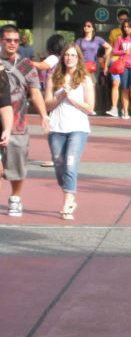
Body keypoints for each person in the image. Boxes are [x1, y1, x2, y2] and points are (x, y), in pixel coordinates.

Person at [0, 24, 49, 217]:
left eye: (15, 40)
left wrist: (44, 115)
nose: (12, 43)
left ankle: (15, 197)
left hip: (18, 123)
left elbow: (35, 94)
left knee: (17, 165)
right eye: (8, 40)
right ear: (1, 40)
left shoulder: (26, 65)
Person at [44, 44, 94, 220]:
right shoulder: (53, 78)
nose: (69, 58)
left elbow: (90, 107)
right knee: (59, 165)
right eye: (66, 55)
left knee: (71, 164)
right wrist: (60, 96)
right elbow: (47, 105)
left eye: (73, 55)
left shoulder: (85, 79)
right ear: (62, 57)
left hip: (78, 128)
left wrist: (71, 98)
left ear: (78, 58)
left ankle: (66, 203)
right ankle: (68, 190)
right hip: (57, 127)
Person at [76, 20, 112, 115]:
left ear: (93, 28)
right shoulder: (79, 41)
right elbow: (75, 52)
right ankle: (83, 106)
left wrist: (105, 56)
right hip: (82, 66)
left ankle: (91, 107)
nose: (86, 27)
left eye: (89, 26)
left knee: (92, 86)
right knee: (82, 86)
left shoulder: (97, 39)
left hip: (92, 66)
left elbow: (109, 47)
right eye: (85, 26)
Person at [106, 9, 131, 117]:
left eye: (125, 20)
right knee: (115, 83)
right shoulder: (114, 32)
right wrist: (107, 63)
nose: (123, 22)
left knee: (126, 86)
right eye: (121, 19)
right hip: (116, 60)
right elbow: (110, 48)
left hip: (128, 61)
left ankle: (125, 108)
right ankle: (114, 108)